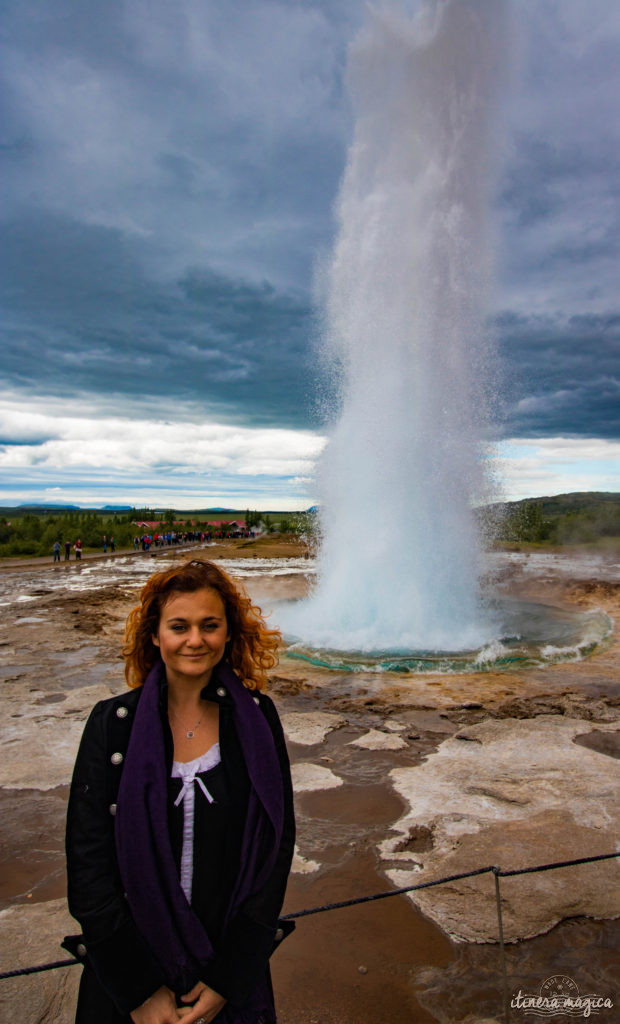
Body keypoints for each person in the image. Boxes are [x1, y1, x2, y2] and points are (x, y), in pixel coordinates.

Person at [64, 558, 295, 1024]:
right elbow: (88, 865)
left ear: (228, 634)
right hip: (130, 987)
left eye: (210, 625)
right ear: (155, 635)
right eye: (179, 626)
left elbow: (276, 848)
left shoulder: (257, 718)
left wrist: (229, 979)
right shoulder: (112, 727)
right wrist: (139, 992)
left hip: (226, 976)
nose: (195, 640)